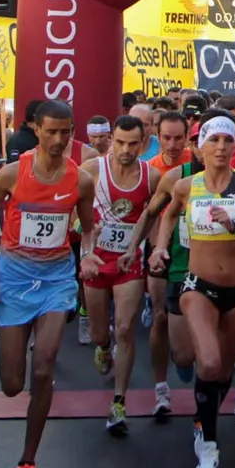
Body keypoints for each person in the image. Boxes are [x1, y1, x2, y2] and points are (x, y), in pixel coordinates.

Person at [0, 101, 98, 468]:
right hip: (14, 276)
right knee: (12, 384)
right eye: (52, 131)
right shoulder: (13, 173)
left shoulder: (80, 180)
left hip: (57, 277)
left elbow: (88, 227)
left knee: (43, 368)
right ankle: (17, 351)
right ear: (36, 131)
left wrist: (88, 254)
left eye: (66, 132)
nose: (59, 139)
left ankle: (28, 461)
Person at [151, 116, 235, 468]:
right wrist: (159, 247)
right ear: (200, 148)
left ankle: (201, 420)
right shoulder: (185, 186)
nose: (221, 147)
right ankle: (209, 446)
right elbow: (168, 215)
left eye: (227, 140)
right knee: (207, 363)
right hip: (198, 286)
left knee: (222, 372)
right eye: (214, 140)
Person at [85, 117, 158, 436]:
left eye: (133, 144)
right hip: (96, 261)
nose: (126, 150)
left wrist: (154, 248)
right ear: (111, 140)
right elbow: (73, 213)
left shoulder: (151, 177)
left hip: (129, 262)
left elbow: (155, 215)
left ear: (143, 143)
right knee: (100, 333)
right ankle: (103, 346)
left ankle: (119, 403)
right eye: (120, 143)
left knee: (125, 329)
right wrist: (86, 241)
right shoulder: (92, 170)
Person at [143, 111, 196, 419]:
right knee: (161, 316)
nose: (173, 145)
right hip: (163, 250)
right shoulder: (152, 170)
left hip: (194, 249)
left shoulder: (197, 162)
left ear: (187, 138)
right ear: (158, 137)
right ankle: (161, 387)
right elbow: (150, 214)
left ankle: (191, 357)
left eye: (179, 138)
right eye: (167, 138)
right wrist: (153, 248)